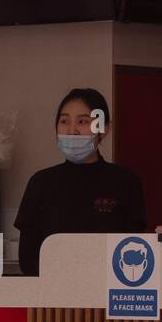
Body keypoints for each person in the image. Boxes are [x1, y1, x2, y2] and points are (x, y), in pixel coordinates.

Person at [13, 88, 147, 276]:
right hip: (52, 297)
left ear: (104, 129)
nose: (72, 130)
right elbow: (28, 258)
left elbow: (133, 251)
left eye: (83, 121)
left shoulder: (126, 182)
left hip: (107, 295)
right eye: (64, 121)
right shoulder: (41, 183)